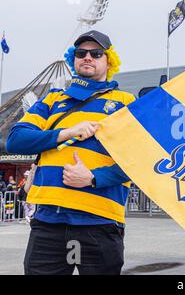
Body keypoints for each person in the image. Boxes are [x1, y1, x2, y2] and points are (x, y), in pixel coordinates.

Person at [6, 30, 135, 275]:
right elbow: (16, 140)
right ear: (73, 59)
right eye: (81, 53)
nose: (87, 57)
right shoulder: (53, 99)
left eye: (96, 53)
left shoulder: (124, 102)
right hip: (48, 223)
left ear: (109, 61)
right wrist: (67, 132)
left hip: (99, 222)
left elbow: (141, 159)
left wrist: (94, 178)